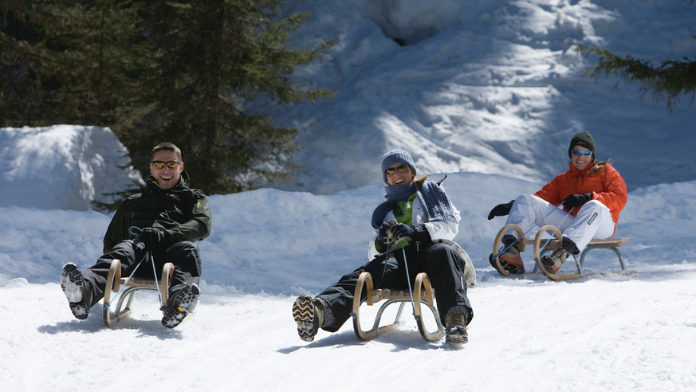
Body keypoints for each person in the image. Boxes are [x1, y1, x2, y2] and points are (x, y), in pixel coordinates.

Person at [292, 149, 474, 344]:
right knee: (366, 273)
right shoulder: (385, 211)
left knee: (444, 253)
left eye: (402, 168)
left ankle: (456, 321)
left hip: (430, 255)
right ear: (386, 179)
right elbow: (373, 253)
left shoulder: (431, 193)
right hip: (398, 263)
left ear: (412, 172)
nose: (397, 174)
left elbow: (450, 226)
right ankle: (318, 313)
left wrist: (417, 231)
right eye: (390, 171)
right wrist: (381, 242)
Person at [60, 142, 212, 328]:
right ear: (151, 167)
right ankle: (85, 292)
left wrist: (167, 235)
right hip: (137, 256)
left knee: (189, 249)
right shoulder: (134, 202)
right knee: (123, 248)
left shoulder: (193, 198)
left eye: (171, 164)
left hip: (172, 256)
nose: (165, 169)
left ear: (180, 166)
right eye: (159, 164)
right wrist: (117, 266)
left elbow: (201, 225)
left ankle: (178, 304)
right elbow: (112, 238)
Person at [487, 131, 627, 275]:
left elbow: (620, 197)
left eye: (586, 152)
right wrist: (514, 205)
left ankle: (560, 255)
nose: (581, 156)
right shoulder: (563, 179)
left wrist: (589, 197)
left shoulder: (606, 172)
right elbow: (540, 198)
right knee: (525, 199)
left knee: (595, 206)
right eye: (576, 152)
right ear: (570, 153)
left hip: (601, 225)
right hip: (571, 225)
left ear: (592, 154)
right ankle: (512, 252)